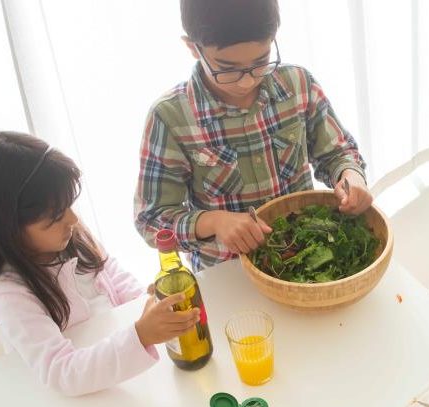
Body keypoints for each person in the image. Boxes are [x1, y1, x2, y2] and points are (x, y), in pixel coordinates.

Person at [134, 0, 373, 271]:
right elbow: (150, 219)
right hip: (228, 273)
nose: (247, 80)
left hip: (307, 261)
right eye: (227, 68)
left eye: (261, 62)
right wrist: (214, 222)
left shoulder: (298, 84)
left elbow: (338, 153)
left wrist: (350, 176)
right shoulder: (170, 117)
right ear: (192, 47)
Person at [0, 132, 199, 396]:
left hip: (119, 378)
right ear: (8, 229)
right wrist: (141, 335)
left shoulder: (69, 236)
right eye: (55, 216)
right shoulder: (7, 294)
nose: (72, 220)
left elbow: (111, 272)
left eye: (68, 205)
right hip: (77, 400)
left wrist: (144, 304)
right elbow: (62, 372)